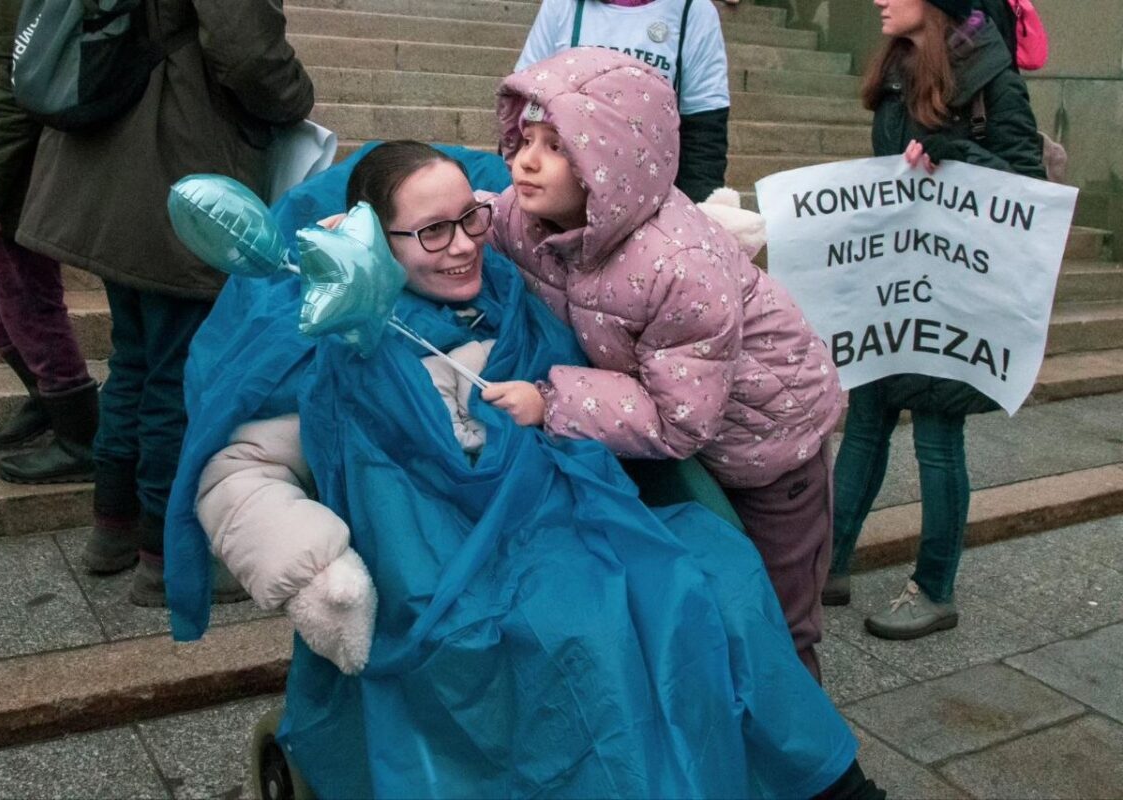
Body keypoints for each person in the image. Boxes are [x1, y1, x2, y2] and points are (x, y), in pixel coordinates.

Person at [165, 141, 884, 799]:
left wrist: (708, 249)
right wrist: (317, 569)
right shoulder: (329, 336)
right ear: (373, 241)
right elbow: (242, 468)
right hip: (439, 564)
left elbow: (620, 271)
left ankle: (825, 787)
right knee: (583, 629)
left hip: (569, 513)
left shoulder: (519, 297)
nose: (462, 249)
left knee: (721, 571)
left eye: (471, 220)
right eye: (431, 232)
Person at [485, 48, 843, 682]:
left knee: (776, 620)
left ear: (610, 162)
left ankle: (805, 759)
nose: (525, 160)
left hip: (772, 447)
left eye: (556, 147)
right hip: (697, 436)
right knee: (707, 601)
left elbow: (679, 422)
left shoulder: (679, 265)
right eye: (525, 139)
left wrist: (552, 401)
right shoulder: (541, 215)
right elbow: (479, 217)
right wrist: (385, 222)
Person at [13, 0, 315, 605]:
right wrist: (296, 97)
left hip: (114, 167)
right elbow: (250, 53)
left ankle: (112, 528)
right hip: (179, 172)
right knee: (176, 376)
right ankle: (166, 555)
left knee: (133, 361)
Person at [823, 0, 1045, 639]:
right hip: (893, 283)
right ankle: (827, 564)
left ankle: (935, 587)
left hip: (956, 296)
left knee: (938, 439)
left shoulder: (993, 81)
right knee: (865, 422)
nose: (878, 1)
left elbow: (1031, 189)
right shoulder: (898, 67)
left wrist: (958, 157)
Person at [0, 0, 94, 483]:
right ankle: (49, 398)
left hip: (27, 169)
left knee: (29, 300)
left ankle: (82, 436)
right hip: (12, 165)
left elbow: (14, 94)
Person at [515, 0, 732, 201]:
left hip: (652, 201)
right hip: (566, 196)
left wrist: (696, 211)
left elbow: (705, 131)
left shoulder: (695, 10)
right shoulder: (562, 5)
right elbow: (523, 101)